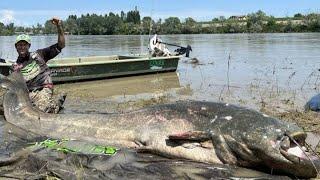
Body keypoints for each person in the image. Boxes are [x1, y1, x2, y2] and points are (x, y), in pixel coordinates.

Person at [13, 17, 66, 113]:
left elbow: (61, 45)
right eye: (19, 45)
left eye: (24, 45)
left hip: (44, 88)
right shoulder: (16, 67)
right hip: (29, 93)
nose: (22, 47)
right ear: (16, 47)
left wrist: (59, 26)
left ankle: (56, 103)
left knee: (41, 111)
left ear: (29, 46)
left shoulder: (40, 54)